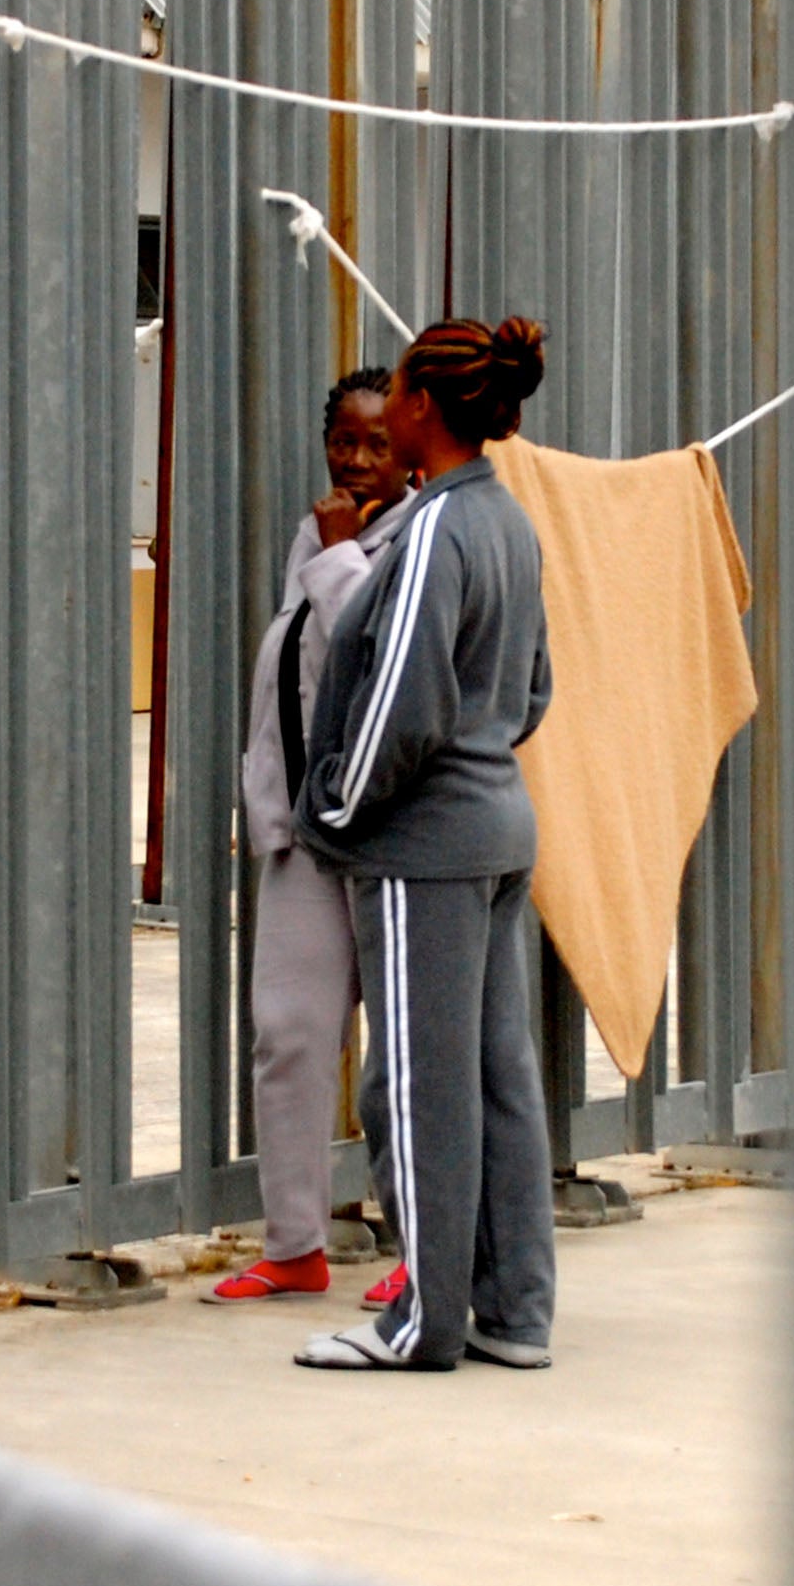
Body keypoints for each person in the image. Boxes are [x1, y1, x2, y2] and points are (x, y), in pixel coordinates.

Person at [286, 316, 556, 1372]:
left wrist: (343, 807)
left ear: (421, 410)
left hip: (422, 846)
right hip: (493, 825)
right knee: (493, 1078)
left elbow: (400, 694)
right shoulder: (507, 522)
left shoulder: (436, 531)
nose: (382, 411)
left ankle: (421, 1322)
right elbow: (530, 686)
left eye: (395, 392)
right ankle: (512, 1312)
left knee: (409, 1085)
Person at [204, 368, 412, 1303]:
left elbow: (378, 663)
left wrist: (338, 556)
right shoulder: (318, 529)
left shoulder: (419, 535)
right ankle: (295, 1242)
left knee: (407, 1051)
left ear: (411, 443)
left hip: (397, 829)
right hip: (304, 826)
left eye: (379, 443)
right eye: (345, 440)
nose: (360, 461)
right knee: (288, 1033)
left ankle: (424, 1245)